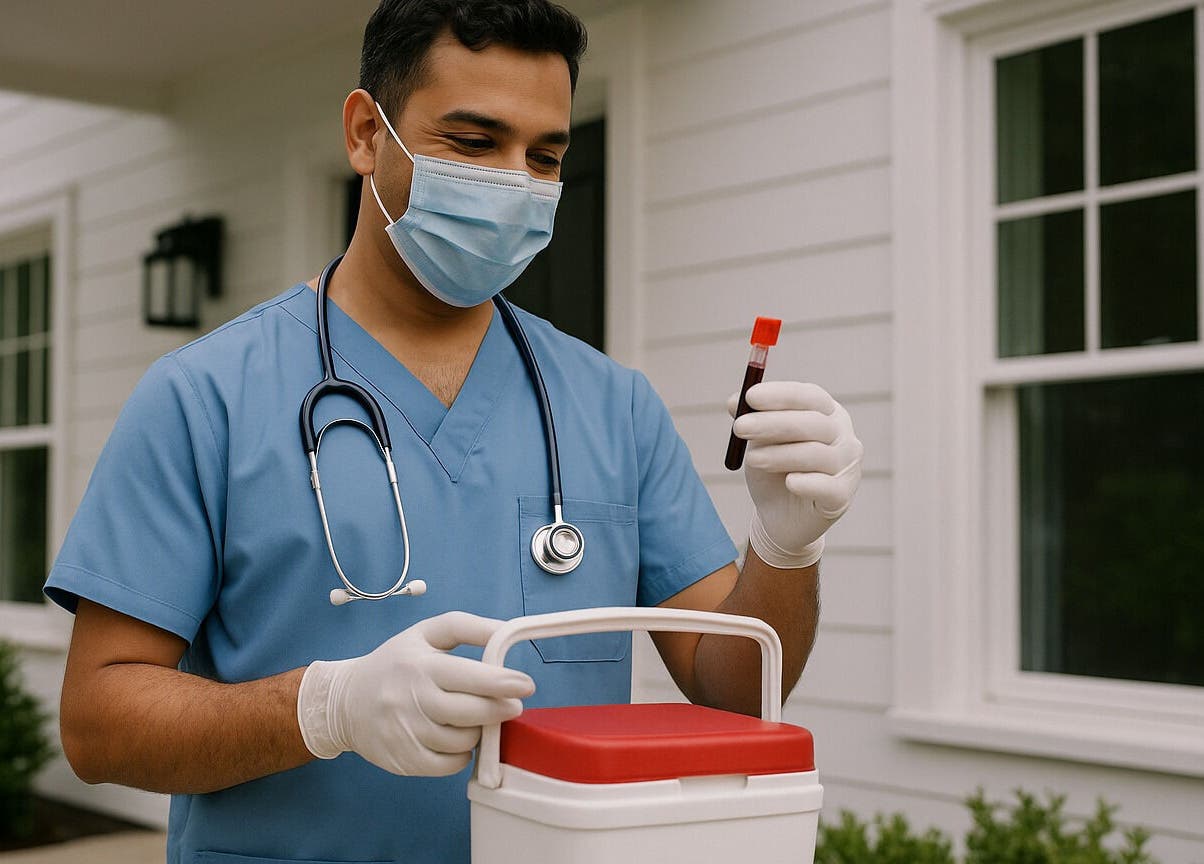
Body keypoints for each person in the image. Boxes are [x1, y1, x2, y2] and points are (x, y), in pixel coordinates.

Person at [46, 1, 863, 862]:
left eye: (544, 156)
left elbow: (731, 691)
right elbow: (99, 724)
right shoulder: (203, 397)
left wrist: (784, 547)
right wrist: (325, 709)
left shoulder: (611, 404)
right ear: (366, 134)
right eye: (473, 144)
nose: (514, 181)